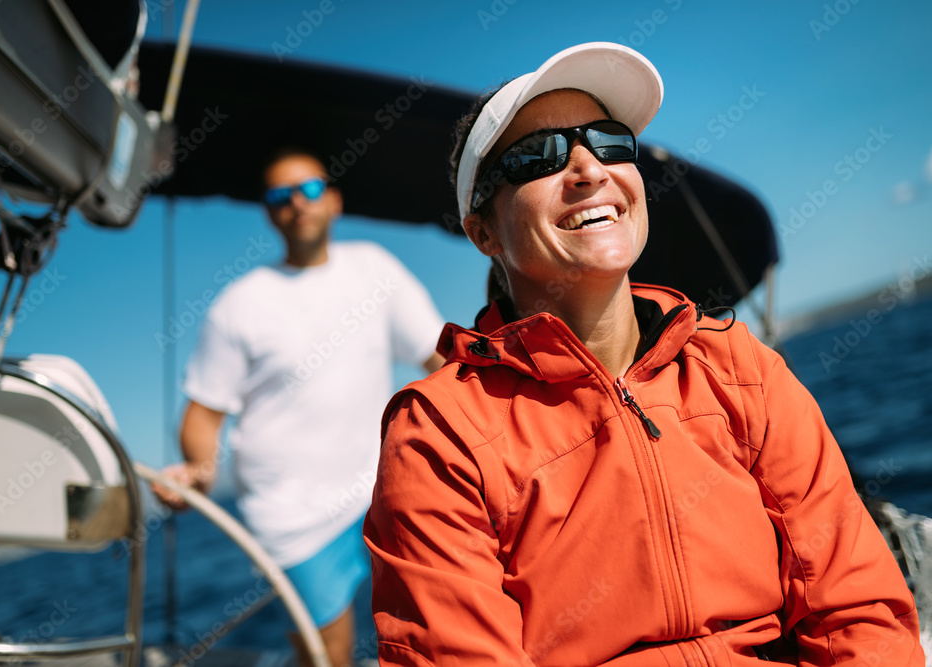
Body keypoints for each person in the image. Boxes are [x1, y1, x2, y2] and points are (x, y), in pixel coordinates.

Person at [363, 43, 924, 666]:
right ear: (483, 232)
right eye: (536, 156)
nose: (589, 169)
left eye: (609, 142)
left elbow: (855, 606)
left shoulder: (742, 371)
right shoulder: (440, 436)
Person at [155, 147, 445, 667]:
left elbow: (439, 359)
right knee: (326, 656)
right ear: (269, 212)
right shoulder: (238, 305)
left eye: (309, 189)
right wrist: (199, 471)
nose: (297, 203)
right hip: (291, 519)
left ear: (332, 200)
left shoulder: (375, 269)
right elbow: (202, 415)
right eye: (280, 195)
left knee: (438, 629)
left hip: (388, 491)